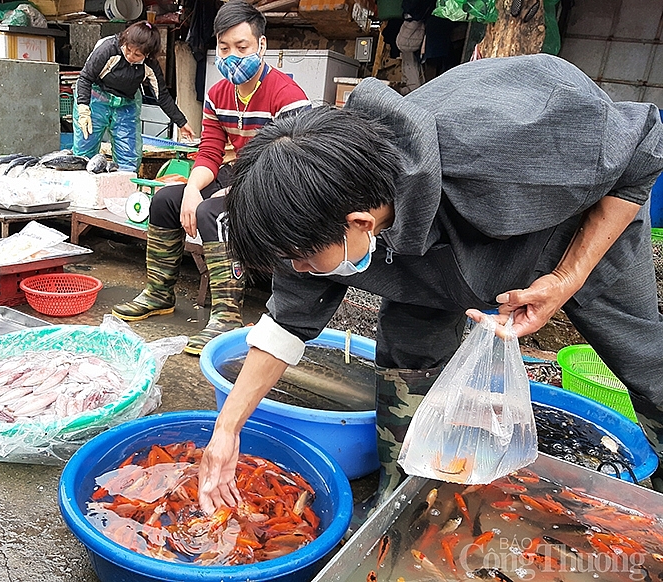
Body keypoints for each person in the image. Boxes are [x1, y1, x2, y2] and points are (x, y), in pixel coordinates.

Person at [196, 54, 663, 514]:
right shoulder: (312, 211)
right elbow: (285, 322)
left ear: (359, 223)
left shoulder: (500, 144)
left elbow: (644, 144)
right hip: (429, 261)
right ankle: (401, 503)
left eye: (302, 259)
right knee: (407, 362)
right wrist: (227, 429)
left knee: (647, 364)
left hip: (576, 232)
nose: (296, 270)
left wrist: (566, 277)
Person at [112, 0, 310, 355]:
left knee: (212, 212)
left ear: (261, 46)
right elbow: (210, 152)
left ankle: (226, 316)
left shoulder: (288, 96)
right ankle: (159, 293)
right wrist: (190, 188)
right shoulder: (219, 94)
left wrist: (227, 194)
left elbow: (287, 164)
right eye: (224, 47)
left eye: (242, 47)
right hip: (239, 172)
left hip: (280, 183)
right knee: (165, 201)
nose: (232, 55)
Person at [73, 21, 195, 172]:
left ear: (147, 54)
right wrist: (83, 109)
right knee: (84, 155)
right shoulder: (109, 49)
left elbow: (162, 96)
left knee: (129, 159)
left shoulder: (150, 65)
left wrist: (181, 122)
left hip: (126, 105)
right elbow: (85, 78)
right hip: (95, 99)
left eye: (137, 55)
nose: (130, 56)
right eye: (128, 49)